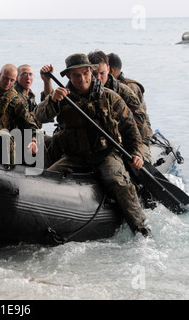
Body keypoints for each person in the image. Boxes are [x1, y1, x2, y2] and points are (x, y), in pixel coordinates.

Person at [34, 53, 151, 237]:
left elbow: (132, 130)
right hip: (75, 157)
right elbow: (38, 118)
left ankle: (141, 229)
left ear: (91, 72)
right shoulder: (62, 98)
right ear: (68, 77)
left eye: (85, 73)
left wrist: (137, 153)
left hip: (105, 154)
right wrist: (52, 100)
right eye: (76, 75)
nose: (82, 79)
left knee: (117, 181)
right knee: (48, 180)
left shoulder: (110, 97)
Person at [88, 50, 152, 163]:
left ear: (109, 70)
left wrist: (135, 151)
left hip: (132, 140)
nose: (98, 78)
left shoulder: (124, 92)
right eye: (94, 74)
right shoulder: (84, 91)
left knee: (136, 163)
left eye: (102, 73)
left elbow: (139, 127)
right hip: (101, 143)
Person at [107, 53, 154, 145]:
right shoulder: (112, 87)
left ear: (110, 71)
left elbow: (137, 121)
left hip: (140, 135)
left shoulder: (128, 88)